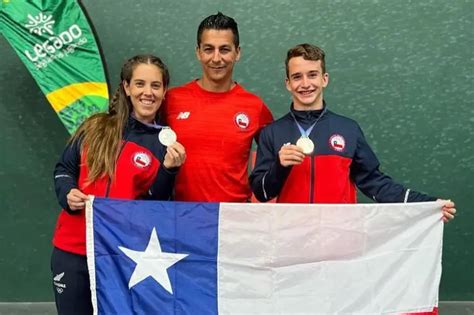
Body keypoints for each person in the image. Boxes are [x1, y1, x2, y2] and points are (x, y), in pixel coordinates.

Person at [250, 43, 456, 222]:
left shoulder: (348, 129)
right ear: (288, 83)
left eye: (312, 75)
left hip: (340, 241)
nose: (305, 84)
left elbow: (376, 184)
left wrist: (428, 204)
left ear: (325, 79)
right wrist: (280, 166)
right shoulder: (273, 133)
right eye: (297, 77)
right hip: (292, 240)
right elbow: (262, 192)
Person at [51, 54, 186, 314]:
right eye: (140, 84)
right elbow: (63, 169)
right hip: (73, 250)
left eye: (155, 86)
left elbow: (154, 201)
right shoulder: (94, 127)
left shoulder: (165, 142)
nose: (148, 92)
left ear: (164, 90)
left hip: (123, 256)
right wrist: (67, 192)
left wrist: (169, 170)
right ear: (126, 87)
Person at [161, 12, 273, 202]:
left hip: (233, 221)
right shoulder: (171, 99)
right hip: (181, 218)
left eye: (224, 49)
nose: (216, 58)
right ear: (198, 52)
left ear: (237, 52)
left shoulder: (254, 106)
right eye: (208, 49)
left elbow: (274, 158)